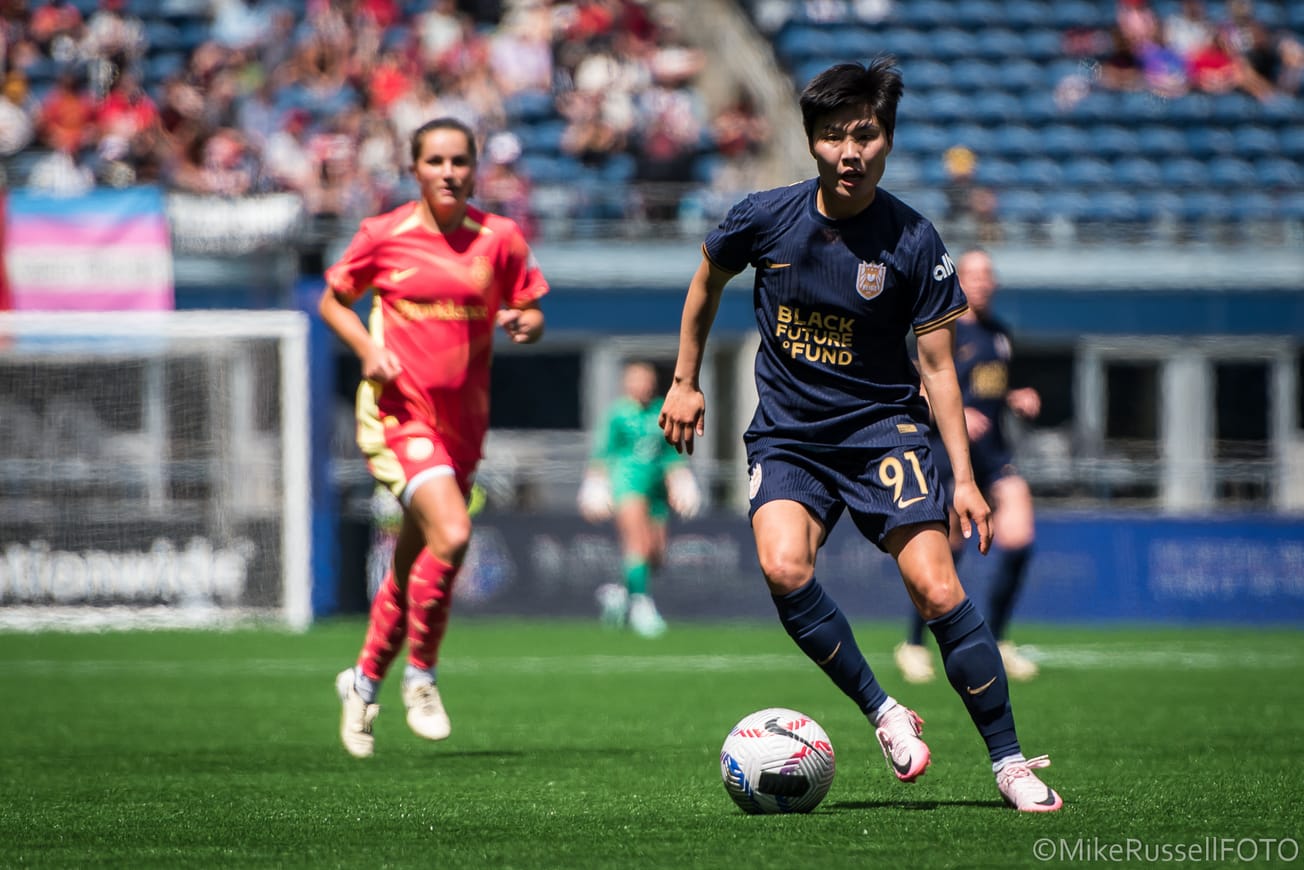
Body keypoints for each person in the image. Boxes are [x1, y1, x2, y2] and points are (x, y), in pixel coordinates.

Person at [658, 59, 1062, 812]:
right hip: (790, 435)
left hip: (885, 431)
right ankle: (884, 711)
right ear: (811, 143)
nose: (851, 151)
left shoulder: (913, 240)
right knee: (783, 569)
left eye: (866, 136)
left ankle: (1009, 763)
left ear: (888, 141)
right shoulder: (764, 217)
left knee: (937, 587)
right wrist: (684, 380)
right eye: (835, 136)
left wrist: (966, 479)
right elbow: (707, 276)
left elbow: (940, 370)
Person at [320, 117, 548, 759]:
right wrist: (367, 348)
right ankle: (421, 676)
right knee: (452, 532)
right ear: (414, 169)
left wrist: (524, 323)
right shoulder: (383, 235)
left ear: (475, 169)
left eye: (459, 161)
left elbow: (531, 306)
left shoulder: (499, 238)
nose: (448, 172)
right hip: (398, 417)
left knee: (412, 562)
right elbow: (334, 300)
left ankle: (362, 684)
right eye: (435, 161)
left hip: (464, 425)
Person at [894, 249, 1042, 685]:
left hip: (994, 456)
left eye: (986, 274)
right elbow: (917, 383)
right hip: (945, 453)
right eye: (971, 274)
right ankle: (915, 644)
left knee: (1019, 537)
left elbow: (986, 387)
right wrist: (953, 415)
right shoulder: (943, 326)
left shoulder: (1000, 334)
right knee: (947, 550)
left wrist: (1014, 397)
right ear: (958, 280)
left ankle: (998, 638)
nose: (979, 281)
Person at [579, 360, 701, 637]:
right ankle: (641, 605)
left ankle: (620, 594)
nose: (642, 386)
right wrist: (594, 484)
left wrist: (683, 482)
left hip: (656, 488)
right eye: (636, 380)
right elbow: (603, 452)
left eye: (646, 380)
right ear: (626, 383)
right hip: (626, 484)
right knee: (638, 544)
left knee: (656, 554)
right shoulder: (618, 415)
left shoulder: (662, 410)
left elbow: (671, 454)